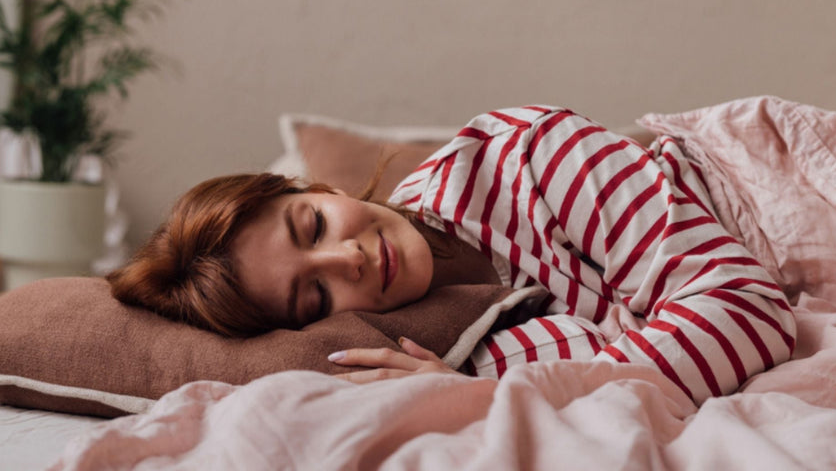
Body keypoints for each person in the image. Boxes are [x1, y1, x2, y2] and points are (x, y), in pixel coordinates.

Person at [109, 106, 796, 403]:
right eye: (314, 297)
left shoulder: (528, 154)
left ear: (313, 187)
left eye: (312, 224)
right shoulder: (437, 354)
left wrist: (507, 402)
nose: (345, 259)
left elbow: (748, 307)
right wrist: (469, 398)